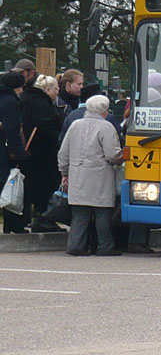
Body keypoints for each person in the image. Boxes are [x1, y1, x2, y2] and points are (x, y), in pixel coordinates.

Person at [57, 95, 124, 256]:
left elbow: (63, 153)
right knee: (102, 214)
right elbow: (112, 155)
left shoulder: (75, 125)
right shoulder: (106, 127)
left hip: (78, 175)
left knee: (80, 214)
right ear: (104, 111)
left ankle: (75, 246)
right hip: (100, 175)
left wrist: (64, 172)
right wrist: (122, 157)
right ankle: (104, 246)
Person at [17, 74, 64, 233]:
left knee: (32, 188)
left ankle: (34, 219)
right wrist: (58, 140)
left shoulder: (25, 100)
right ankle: (43, 219)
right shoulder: (42, 105)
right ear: (47, 89)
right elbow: (47, 127)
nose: (58, 92)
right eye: (56, 89)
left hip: (29, 152)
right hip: (43, 154)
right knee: (44, 188)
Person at [0, 71, 30, 234]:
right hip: (5, 152)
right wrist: (20, 153)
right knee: (10, 187)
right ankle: (13, 225)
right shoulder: (11, 102)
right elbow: (12, 129)